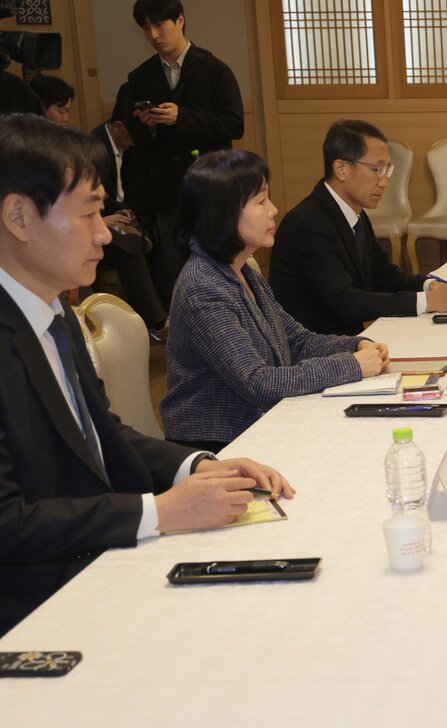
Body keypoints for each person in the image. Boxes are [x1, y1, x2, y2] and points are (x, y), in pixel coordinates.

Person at [0, 113, 293, 635]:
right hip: (38, 611)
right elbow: (8, 522)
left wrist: (198, 466)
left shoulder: (53, 311)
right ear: (19, 217)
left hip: (102, 562)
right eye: (89, 213)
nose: (104, 235)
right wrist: (160, 512)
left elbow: (103, 433)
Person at [162, 149, 388, 451]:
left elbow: (296, 341)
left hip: (258, 426)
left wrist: (355, 345)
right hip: (218, 447)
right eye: (261, 201)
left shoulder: (243, 271)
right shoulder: (202, 287)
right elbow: (258, 383)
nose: (273, 209)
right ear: (223, 212)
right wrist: (352, 365)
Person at [271, 119, 447, 335]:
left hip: (347, 339)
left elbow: (382, 276)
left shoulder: (355, 214)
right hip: (316, 347)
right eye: (376, 169)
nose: (384, 182)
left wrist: (429, 285)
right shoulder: (308, 224)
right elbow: (344, 302)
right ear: (341, 169)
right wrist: (427, 301)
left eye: (386, 170)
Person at [120, 0, 244, 305]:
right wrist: (148, 126)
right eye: (146, 28)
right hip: (167, 188)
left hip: (210, 185)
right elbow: (133, 137)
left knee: (219, 262)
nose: (153, 34)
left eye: (159, 25)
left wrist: (182, 117)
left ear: (180, 20)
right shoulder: (141, 76)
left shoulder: (213, 69)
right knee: (178, 269)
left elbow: (234, 124)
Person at [89, 91, 167, 334]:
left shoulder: (126, 147)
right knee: (130, 246)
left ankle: (153, 315)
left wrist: (124, 213)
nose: (137, 141)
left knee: (151, 236)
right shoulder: (95, 148)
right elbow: (89, 203)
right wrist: (104, 219)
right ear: (118, 127)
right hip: (92, 228)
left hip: (111, 218)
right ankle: (155, 321)